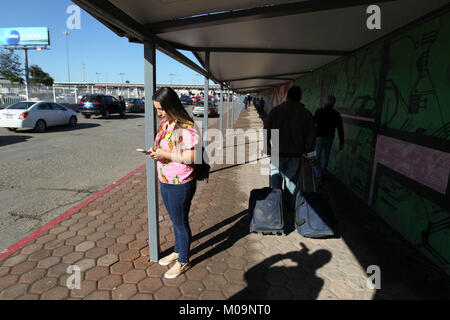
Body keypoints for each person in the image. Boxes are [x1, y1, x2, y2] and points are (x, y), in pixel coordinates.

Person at [146, 87, 199, 279]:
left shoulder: (186, 127)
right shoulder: (166, 123)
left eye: (161, 109)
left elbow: (194, 156)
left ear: (172, 106)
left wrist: (165, 154)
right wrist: (155, 152)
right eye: (156, 109)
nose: (158, 113)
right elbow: (163, 146)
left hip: (181, 182)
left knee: (180, 222)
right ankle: (178, 251)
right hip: (166, 179)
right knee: (175, 220)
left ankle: (183, 260)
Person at [263, 85, 316, 210]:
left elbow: (266, 129)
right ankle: (287, 206)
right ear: (300, 97)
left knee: (275, 181)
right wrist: (307, 150)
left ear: (287, 96)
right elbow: (312, 135)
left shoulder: (276, 110)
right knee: (290, 183)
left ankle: (276, 208)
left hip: (277, 151)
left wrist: (267, 146)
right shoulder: (306, 114)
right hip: (296, 154)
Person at [313, 95, 344, 184]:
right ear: (334, 103)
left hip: (319, 137)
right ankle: (322, 175)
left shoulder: (319, 112)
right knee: (325, 157)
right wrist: (341, 142)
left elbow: (313, 124)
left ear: (325, 102)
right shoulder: (336, 114)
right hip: (329, 138)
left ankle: (319, 176)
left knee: (315, 157)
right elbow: (340, 128)